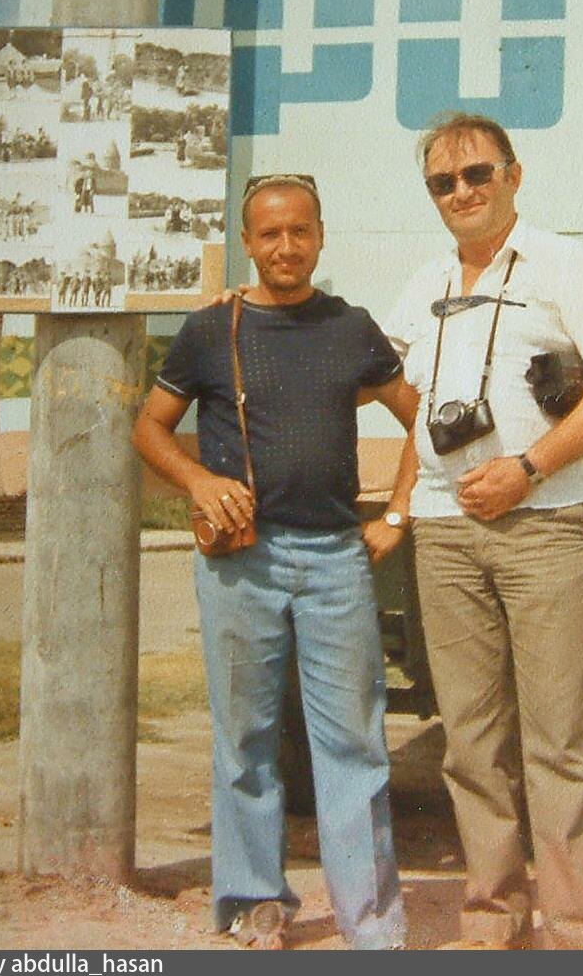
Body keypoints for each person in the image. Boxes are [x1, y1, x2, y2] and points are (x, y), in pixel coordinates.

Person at [132, 173, 415, 951]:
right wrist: (198, 479)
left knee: (353, 742)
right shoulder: (209, 330)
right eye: (269, 233)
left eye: (299, 231)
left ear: (319, 236)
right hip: (241, 562)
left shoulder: (350, 326)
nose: (286, 246)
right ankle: (255, 898)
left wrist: (396, 511)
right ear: (248, 243)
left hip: (335, 559)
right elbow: (149, 428)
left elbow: (421, 417)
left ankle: (372, 923)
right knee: (245, 735)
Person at [383, 112, 583, 949]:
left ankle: (582, 932)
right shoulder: (424, 282)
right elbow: (387, 386)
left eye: (476, 174)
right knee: (469, 740)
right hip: (445, 531)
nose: (461, 192)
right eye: (442, 182)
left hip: (542, 523)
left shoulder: (562, 263)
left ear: (512, 175)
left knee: (560, 737)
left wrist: (528, 466)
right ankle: (492, 922)